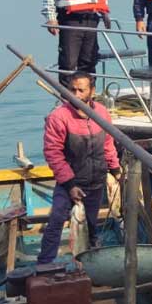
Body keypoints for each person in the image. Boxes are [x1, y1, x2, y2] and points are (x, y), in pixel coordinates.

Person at [38, 71, 121, 264]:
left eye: (81, 90)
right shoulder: (58, 117)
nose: (76, 94)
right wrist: (69, 184)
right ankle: (44, 263)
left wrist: (115, 169)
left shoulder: (101, 113)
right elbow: (53, 153)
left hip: (96, 181)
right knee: (57, 219)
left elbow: (108, 144)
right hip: (71, 181)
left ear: (92, 91)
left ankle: (90, 261)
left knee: (91, 224)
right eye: (72, 90)